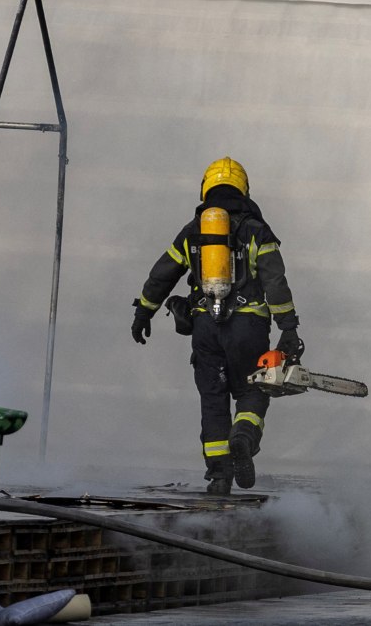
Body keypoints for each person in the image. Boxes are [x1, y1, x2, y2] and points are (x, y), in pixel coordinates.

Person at [130, 157, 304, 495]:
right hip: (248, 329)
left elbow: (162, 273)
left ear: (206, 189)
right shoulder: (256, 230)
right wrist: (289, 327)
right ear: (244, 189)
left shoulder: (193, 231)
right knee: (253, 388)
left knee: (213, 400)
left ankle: (219, 476)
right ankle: (243, 435)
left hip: (205, 330)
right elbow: (275, 281)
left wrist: (143, 313)